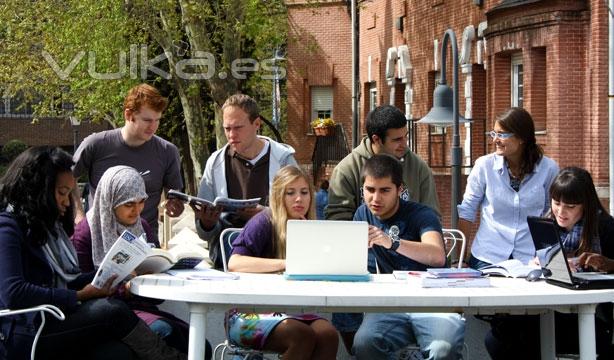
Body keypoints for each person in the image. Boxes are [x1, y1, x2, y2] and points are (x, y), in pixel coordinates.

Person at [0, 146, 186, 360]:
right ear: (37, 189)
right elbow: (13, 294)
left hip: (52, 318)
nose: (67, 202)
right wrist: (79, 295)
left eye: (70, 194)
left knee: (119, 353)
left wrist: (109, 276)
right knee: (112, 311)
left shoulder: (42, 228)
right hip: (27, 331)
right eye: (62, 193)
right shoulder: (7, 227)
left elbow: (60, 281)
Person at [327, 104, 440, 352]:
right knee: (347, 304)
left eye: (406, 137)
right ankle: (358, 353)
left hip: (413, 260)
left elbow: (431, 215)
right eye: (397, 139)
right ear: (376, 139)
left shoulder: (417, 166)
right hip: (364, 257)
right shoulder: (347, 169)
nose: (404, 144)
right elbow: (337, 223)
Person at [70, 165, 210, 357]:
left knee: (201, 344)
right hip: (108, 313)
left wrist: (159, 274)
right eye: (129, 204)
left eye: (141, 202)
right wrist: (124, 288)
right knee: (167, 334)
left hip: (142, 307)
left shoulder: (142, 226)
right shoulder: (86, 233)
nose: (137, 211)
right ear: (110, 201)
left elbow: (157, 297)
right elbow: (82, 290)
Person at [485, 167, 614, 359]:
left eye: (570, 207)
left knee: (514, 336)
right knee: (499, 336)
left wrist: (607, 264)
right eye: (556, 203)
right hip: (552, 307)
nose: (561, 212)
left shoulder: (605, 228)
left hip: (592, 316)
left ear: (585, 205)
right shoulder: (548, 223)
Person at [349, 154, 465, 359]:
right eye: (369, 190)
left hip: (432, 300)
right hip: (391, 301)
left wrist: (392, 242)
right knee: (364, 344)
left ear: (400, 190)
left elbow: (437, 255)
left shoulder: (421, 214)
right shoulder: (362, 214)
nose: (375, 199)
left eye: (384, 190)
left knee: (442, 349)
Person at [227, 165, 338, 359]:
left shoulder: (311, 227)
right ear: (279, 196)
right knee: (301, 336)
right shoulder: (264, 221)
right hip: (247, 317)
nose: (299, 199)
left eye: (304, 192)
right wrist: (286, 263)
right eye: (290, 192)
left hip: (294, 311)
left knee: (328, 334)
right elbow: (235, 262)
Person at [195, 93, 297, 269]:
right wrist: (207, 223)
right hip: (226, 258)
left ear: (257, 124)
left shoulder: (283, 159)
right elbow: (203, 232)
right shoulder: (215, 162)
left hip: (275, 257)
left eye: (238, 128)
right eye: (227, 129)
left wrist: (265, 214)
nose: (231, 135)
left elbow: (301, 214)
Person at [72, 83, 184, 241]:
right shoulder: (95, 145)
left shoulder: (168, 151)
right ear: (128, 115)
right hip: (98, 239)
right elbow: (68, 179)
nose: (153, 126)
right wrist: (78, 214)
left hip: (144, 240)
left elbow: (174, 199)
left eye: (157, 120)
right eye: (147, 120)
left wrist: (175, 208)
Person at [458, 107, 559, 269]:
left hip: (530, 258)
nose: (495, 140)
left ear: (522, 138)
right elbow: (467, 211)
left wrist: (552, 258)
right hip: (488, 256)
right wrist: (459, 259)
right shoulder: (484, 166)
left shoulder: (549, 169)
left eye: (502, 134)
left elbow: (552, 213)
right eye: (494, 133)